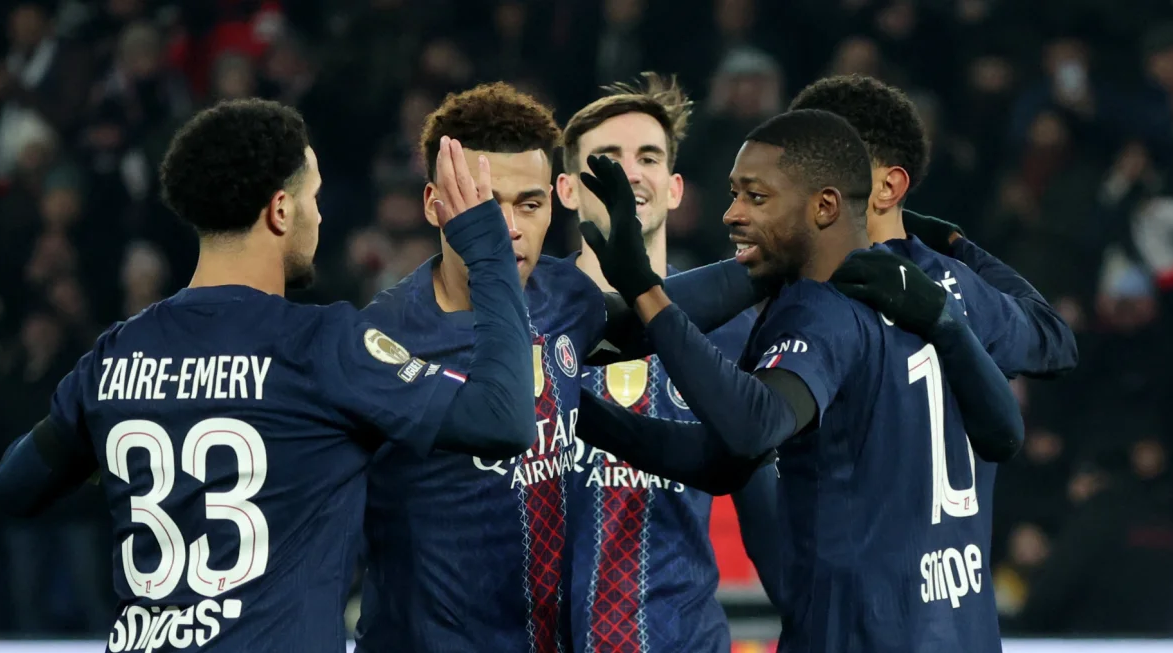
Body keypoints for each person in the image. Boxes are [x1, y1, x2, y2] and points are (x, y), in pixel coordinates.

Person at [0, 98, 538, 652]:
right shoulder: (319, 347)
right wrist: (489, 254)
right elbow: (503, 420)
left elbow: (14, 488)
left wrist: (125, 450)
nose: (320, 217)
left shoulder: (116, 354)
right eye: (313, 198)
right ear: (280, 210)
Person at [578, 109, 1022, 652]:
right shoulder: (935, 293)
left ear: (825, 205)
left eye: (756, 198)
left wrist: (646, 292)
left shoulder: (822, 309)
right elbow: (726, 460)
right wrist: (580, 414)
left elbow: (752, 427)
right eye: (734, 193)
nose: (731, 215)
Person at [355, 82, 761, 653]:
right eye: (485, 205)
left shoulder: (560, 296)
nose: (510, 229)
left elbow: (655, 317)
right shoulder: (383, 340)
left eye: (528, 203)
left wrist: (778, 261)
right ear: (433, 204)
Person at [555, 72, 764, 652]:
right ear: (567, 190)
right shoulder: (526, 324)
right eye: (606, 159)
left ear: (674, 188)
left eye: (647, 156)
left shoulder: (732, 331)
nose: (628, 172)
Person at [788, 74, 1078, 379]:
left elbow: (1053, 339)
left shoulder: (792, 290)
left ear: (889, 186)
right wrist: (954, 245)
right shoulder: (953, 282)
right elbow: (1052, 338)